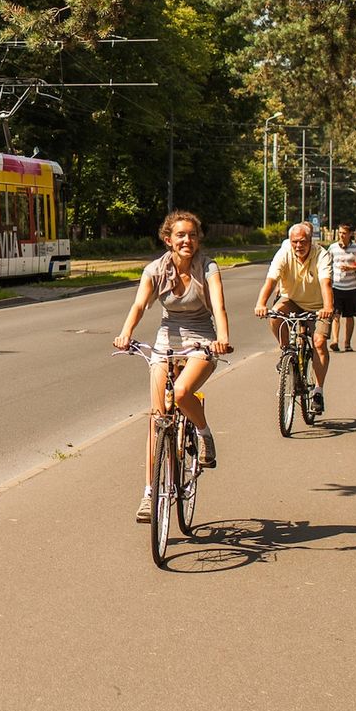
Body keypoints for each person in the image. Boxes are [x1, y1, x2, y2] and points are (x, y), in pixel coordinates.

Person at [114, 210, 233, 521]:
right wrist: (126, 334)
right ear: (168, 239)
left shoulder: (207, 267)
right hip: (166, 340)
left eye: (192, 235)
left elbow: (218, 306)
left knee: (181, 392)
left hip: (202, 340)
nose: (187, 240)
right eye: (180, 235)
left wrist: (222, 338)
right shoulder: (155, 270)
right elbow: (140, 304)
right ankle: (149, 494)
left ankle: (204, 433)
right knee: (157, 419)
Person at [254, 221, 334, 410]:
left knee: (319, 343)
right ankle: (286, 351)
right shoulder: (284, 253)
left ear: (310, 241)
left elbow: (326, 283)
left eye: (303, 241)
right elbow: (271, 281)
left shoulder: (322, 255)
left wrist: (328, 307)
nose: (298, 246)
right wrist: (261, 304)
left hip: (318, 305)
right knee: (275, 316)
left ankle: (318, 391)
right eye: (294, 242)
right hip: (291, 300)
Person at [327, 223, 356, 351]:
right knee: (336, 315)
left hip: (351, 287)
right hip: (336, 287)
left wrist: (351, 267)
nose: (341, 235)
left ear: (350, 234)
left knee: (349, 316)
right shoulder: (333, 248)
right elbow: (327, 265)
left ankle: (347, 343)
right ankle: (335, 340)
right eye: (340, 233)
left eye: (344, 233)